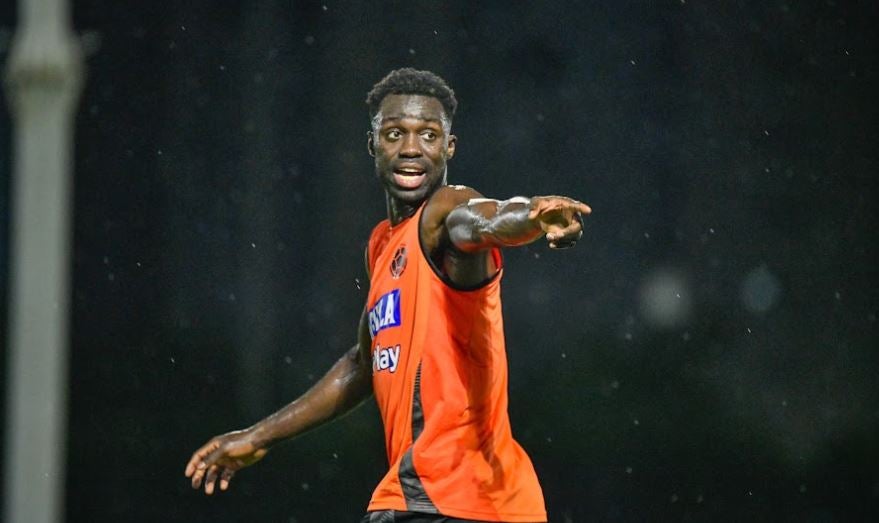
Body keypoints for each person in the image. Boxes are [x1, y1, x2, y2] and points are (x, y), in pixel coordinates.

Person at [185, 68, 591, 523]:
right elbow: (363, 363)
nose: (412, 149)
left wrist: (533, 216)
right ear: (373, 144)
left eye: (429, 135)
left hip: (454, 499)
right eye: (396, 133)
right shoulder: (382, 245)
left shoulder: (444, 212)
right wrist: (258, 436)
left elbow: (484, 220)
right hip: (450, 502)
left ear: (448, 148)